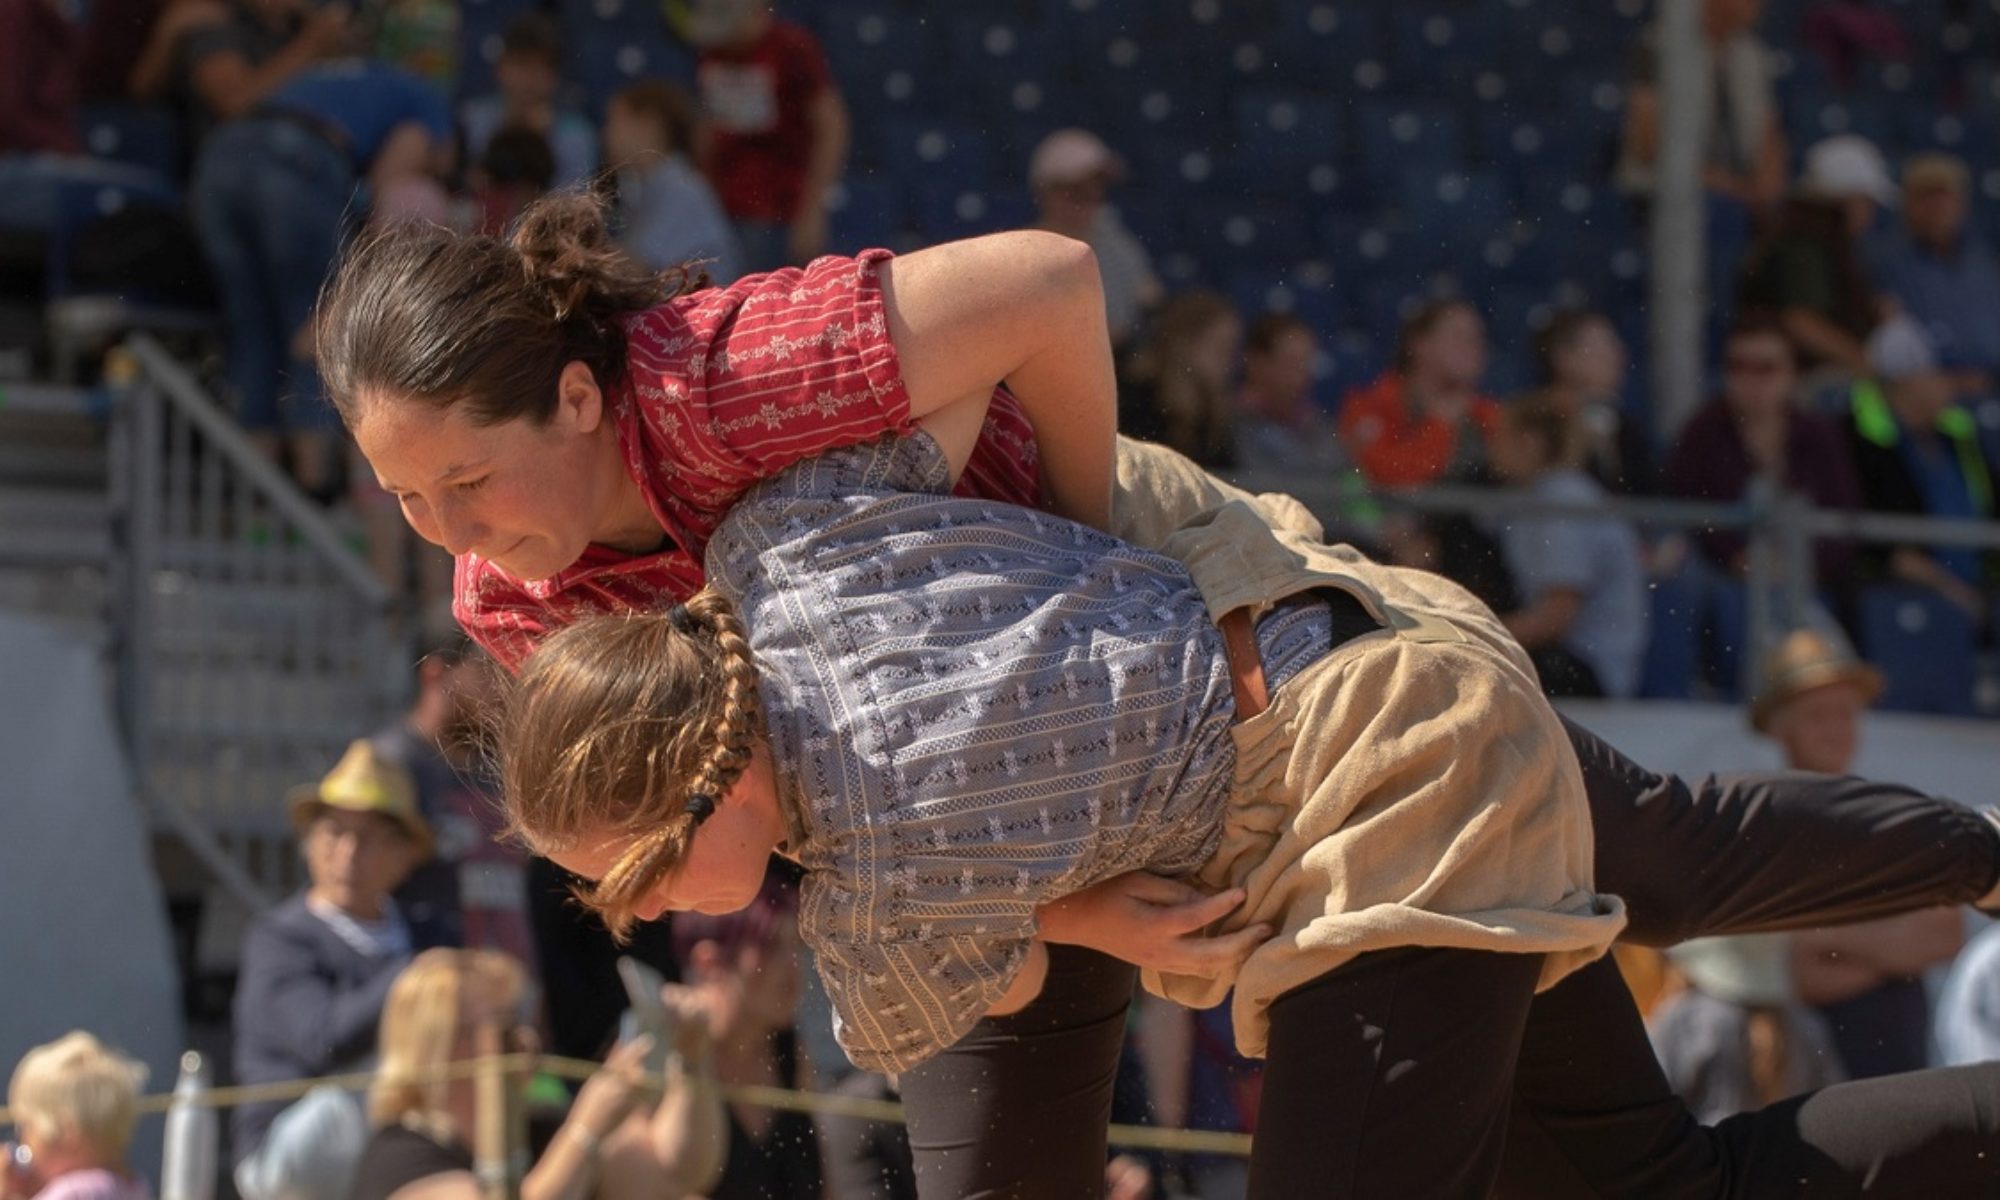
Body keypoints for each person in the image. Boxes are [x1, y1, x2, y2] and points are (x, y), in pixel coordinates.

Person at [318, 194, 2000, 1197]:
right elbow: (788, 818)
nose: (451, 541)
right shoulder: (573, 599)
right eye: (402, 502)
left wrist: (1099, 582)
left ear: (575, 391)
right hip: (979, 778)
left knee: (1650, 853)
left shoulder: (731, 386)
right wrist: (1089, 904)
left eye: (462, 483)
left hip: (1158, 603)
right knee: (1651, 910)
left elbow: (1050, 282)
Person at [191, 57, 453, 496]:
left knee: (252, 332)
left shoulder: (332, 76)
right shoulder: (426, 103)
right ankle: (313, 494)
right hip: (297, 163)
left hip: (220, 158)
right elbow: (389, 181)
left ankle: (258, 498)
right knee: (314, 331)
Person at [231, 740, 447, 1200]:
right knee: (384, 1078)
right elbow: (323, 1039)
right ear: (310, 842)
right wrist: (416, 975)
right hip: (286, 1150)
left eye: (368, 838)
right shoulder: (280, 939)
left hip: (395, 1143)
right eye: (333, 833)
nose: (347, 854)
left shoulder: (427, 934)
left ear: (406, 853)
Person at [1751, 626, 1967, 1078]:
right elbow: (1796, 969)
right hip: (1804, 1082)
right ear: (1777, 726)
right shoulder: (1760, 826)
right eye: (1817, 715)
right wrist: (1894, 946)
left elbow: (1947, 933)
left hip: (1895, 1070)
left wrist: (1831, 940)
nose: (1836, 729)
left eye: (1845, 714)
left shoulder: (1891, 813)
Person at [349, 948, 725, 1200]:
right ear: (439, 1045)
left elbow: (681, 1173)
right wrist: (587, 1128)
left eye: (521, 1020)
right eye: (504, 1027)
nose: (526, 1040)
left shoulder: (539, 1127)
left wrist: (690, 1061)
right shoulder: (399, 1156)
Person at [1663, 311, 1861, 586]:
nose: (1751, 380)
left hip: (1810, 584)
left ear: (1792, 372)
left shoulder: (1818, 434)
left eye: (1765, 368)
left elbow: (1842, 520)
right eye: (1737, 366)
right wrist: (1736, 558)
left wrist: (1802, 568)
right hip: (1726, 582)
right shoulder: (1702, 432)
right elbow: (1685, 514)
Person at [370, 637, 530, 966]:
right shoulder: (387, 764)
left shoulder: (495, 770)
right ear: (434, 674)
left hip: (504, 991)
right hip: (431, 990)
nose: (504, 689)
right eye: (490, 673)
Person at [1485, 394, 1650, 699]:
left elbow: (1556, 617)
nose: (1491, 448)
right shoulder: (1528, 497)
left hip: (1588, 665)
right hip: (1560, 653)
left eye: (1499, 438)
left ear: (1530, 442)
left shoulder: (1563, 501)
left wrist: (1470, 635)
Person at [667, 878, 821, 1200]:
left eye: (796, 947)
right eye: (771, 946)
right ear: (708, 962)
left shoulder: (792, 1055)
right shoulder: (655, 1048)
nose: (793, 964)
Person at [1844, 315, 1997, 618]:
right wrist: (1952, 591)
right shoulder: (1861, 439)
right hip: (1900, 595)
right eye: (1942, 371)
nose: (1957, 382)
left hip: (1979, 588)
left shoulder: (1956, 433)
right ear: (1906, 380)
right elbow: (1883, 548)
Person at [686, 0, 847, 271]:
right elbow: (707, 122)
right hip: (723, 206)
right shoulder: (714, 49)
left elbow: (831, 126)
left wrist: (812, 209)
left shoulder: (791, 48)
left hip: (780, 210)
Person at [1737, 136, 1896, 377]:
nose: (1870, 213)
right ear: (1847, 200)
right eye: (1867, 202)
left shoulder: (1818, 235)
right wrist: (1869, 367)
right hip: (1797, 385)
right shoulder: (1802, 241)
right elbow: (1802, 322)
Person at [1648, 934, 1845, 1123]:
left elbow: (1652, 1100)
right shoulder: (1806, 1022)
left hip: (1706, 1153)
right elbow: (1831, 1106)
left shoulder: (1691, 1018)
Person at [1616, 0, 1787, 215]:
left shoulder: (1752, 53)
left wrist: (1765, 190)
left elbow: (1769, 136)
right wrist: (1729, 187)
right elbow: (1650, 143)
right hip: (1658, 197)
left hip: (1737, 200)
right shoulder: (1658, 45)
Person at [127, 0, 348, 147]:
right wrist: (311, 43)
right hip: (238, 158)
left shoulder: (303, 22)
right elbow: (235, 103)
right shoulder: (214, 18)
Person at [1337, 298, 1497, 490]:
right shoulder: (1367, 406)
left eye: (1478, 338)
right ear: (1419, 343)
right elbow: (1385, 476)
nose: (1473, 347)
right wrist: (1440, 427)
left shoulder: (1486, 413)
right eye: (1458, 337)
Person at [1029, 128, 1164, 351]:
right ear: (1048, 192)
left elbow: (1150, 299)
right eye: (1076, 190)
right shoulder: (1026, 253)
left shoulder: (1116, 241)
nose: (1090, 196)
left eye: (1097, 185)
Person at [1874, 153, 2000, 391]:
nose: (1936, 207)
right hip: (1926, 389)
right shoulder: (1887, 265)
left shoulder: (1983, 264)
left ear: (1962, 204)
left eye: (1944, 196)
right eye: (1925, 197)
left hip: (1992, 382)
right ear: (1907, 204)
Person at [602, 81, 743, 283]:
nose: (607, 132)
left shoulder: (682, 188)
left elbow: (635, 269)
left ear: (649, 125)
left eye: (615, 120)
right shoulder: (645, 187)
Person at [458, 14, 596, 194]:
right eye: (522, 64)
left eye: (541, 67)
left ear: (555, 76)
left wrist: (541, 141)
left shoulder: (576, 135)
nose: (530, 78)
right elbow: (461, 189)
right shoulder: (472, 119)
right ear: (500, 68)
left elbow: (574, 206)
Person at [2, 1033, 150, 1200]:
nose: (23, 1138)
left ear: (67, 1132)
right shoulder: (132, 1184)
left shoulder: (75, 1192)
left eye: (27, 1126)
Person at [1532, 309, 1655, 495]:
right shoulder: (1532, 418)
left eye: (1615, 345)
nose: (1617, 356)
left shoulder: (1627, 428)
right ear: (1563, 357)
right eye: (1602, 347)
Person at [1118, 290, 1241, 468]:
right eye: (1220, 347)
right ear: (1185, 343)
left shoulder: (1213, 410)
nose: (1229, 360)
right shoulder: (1141, 397)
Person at [1232, 312, 1342, 475]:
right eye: (1291, 362)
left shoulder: (1318, 425)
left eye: (1307, 362)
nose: (1302, 374)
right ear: (1257, 363)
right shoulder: (1228, 425)